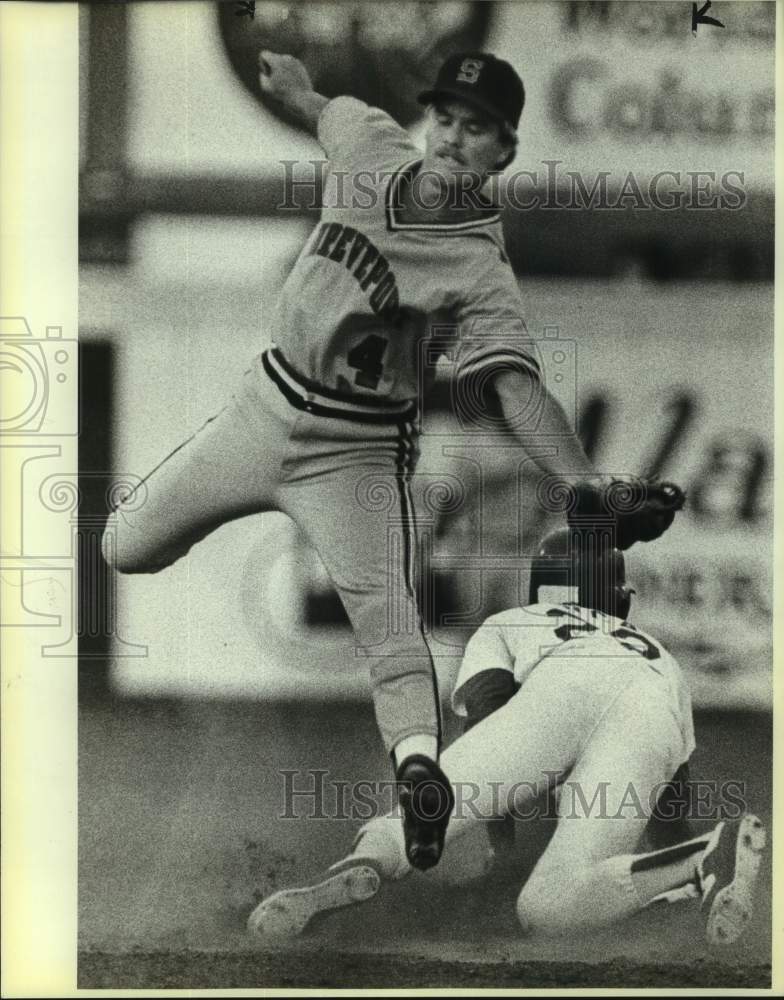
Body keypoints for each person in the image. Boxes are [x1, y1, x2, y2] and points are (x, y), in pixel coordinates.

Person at [101, 50, 613, 870]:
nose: (452, 137)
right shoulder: (370, 144)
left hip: (359, 451)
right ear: (426, 120)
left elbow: (515, 390)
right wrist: (292, 85)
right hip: (261, 411)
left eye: (476, 127)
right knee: (122, 547)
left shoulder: (480, 268)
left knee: (389, 625)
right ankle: (418, 763)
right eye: (446, 116)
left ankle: (419, 770)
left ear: (503, 152)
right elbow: (323, 106)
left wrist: (585, 483)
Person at [247, 527, 766, 946]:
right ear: (618, 595)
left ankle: (363, 865)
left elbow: (488, 712)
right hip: (648, 715)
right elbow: (672, 800)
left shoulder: (514, 621)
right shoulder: (658, 654)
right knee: (549, 908)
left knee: (417, 815)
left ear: (541, 586)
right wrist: (656, 884)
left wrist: (504, 848)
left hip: (558, 689)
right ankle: (705, 858)